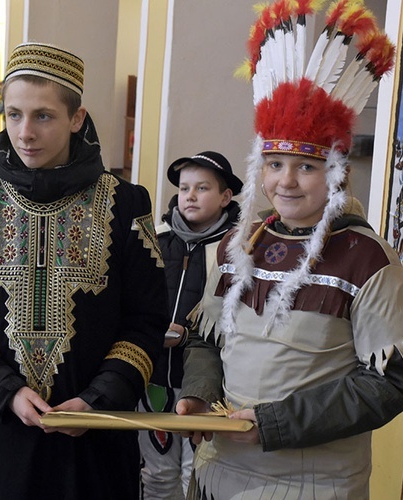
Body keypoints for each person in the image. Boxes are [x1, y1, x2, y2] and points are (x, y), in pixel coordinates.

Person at [175, 2, 403, 498]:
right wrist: (198, 396)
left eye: (306, 167)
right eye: (274, 164)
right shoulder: (236, 247)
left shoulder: (366, 258)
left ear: (337, 173)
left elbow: (391, 382)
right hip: (218, 471)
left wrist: (274, 423)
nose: (285, 181)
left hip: (314, 484)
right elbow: (204, 339)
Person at [0, 42, 168, 500]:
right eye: (13, 115)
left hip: (95, 441)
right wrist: (5, 392)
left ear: (76, 118)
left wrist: (98, 400)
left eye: (43, 116)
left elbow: (146, 321)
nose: (24, 132)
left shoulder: (128, 204)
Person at [139, 151, 242, 499]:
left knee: (196, 473)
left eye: (202, 188)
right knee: (156, 473)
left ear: (226, 197)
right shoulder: (157, 238)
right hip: (154, 377)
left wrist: (188, 336)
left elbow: (239, 316)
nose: (191, 196)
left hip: (205, 384)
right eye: (184, 188)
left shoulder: (237, 249)